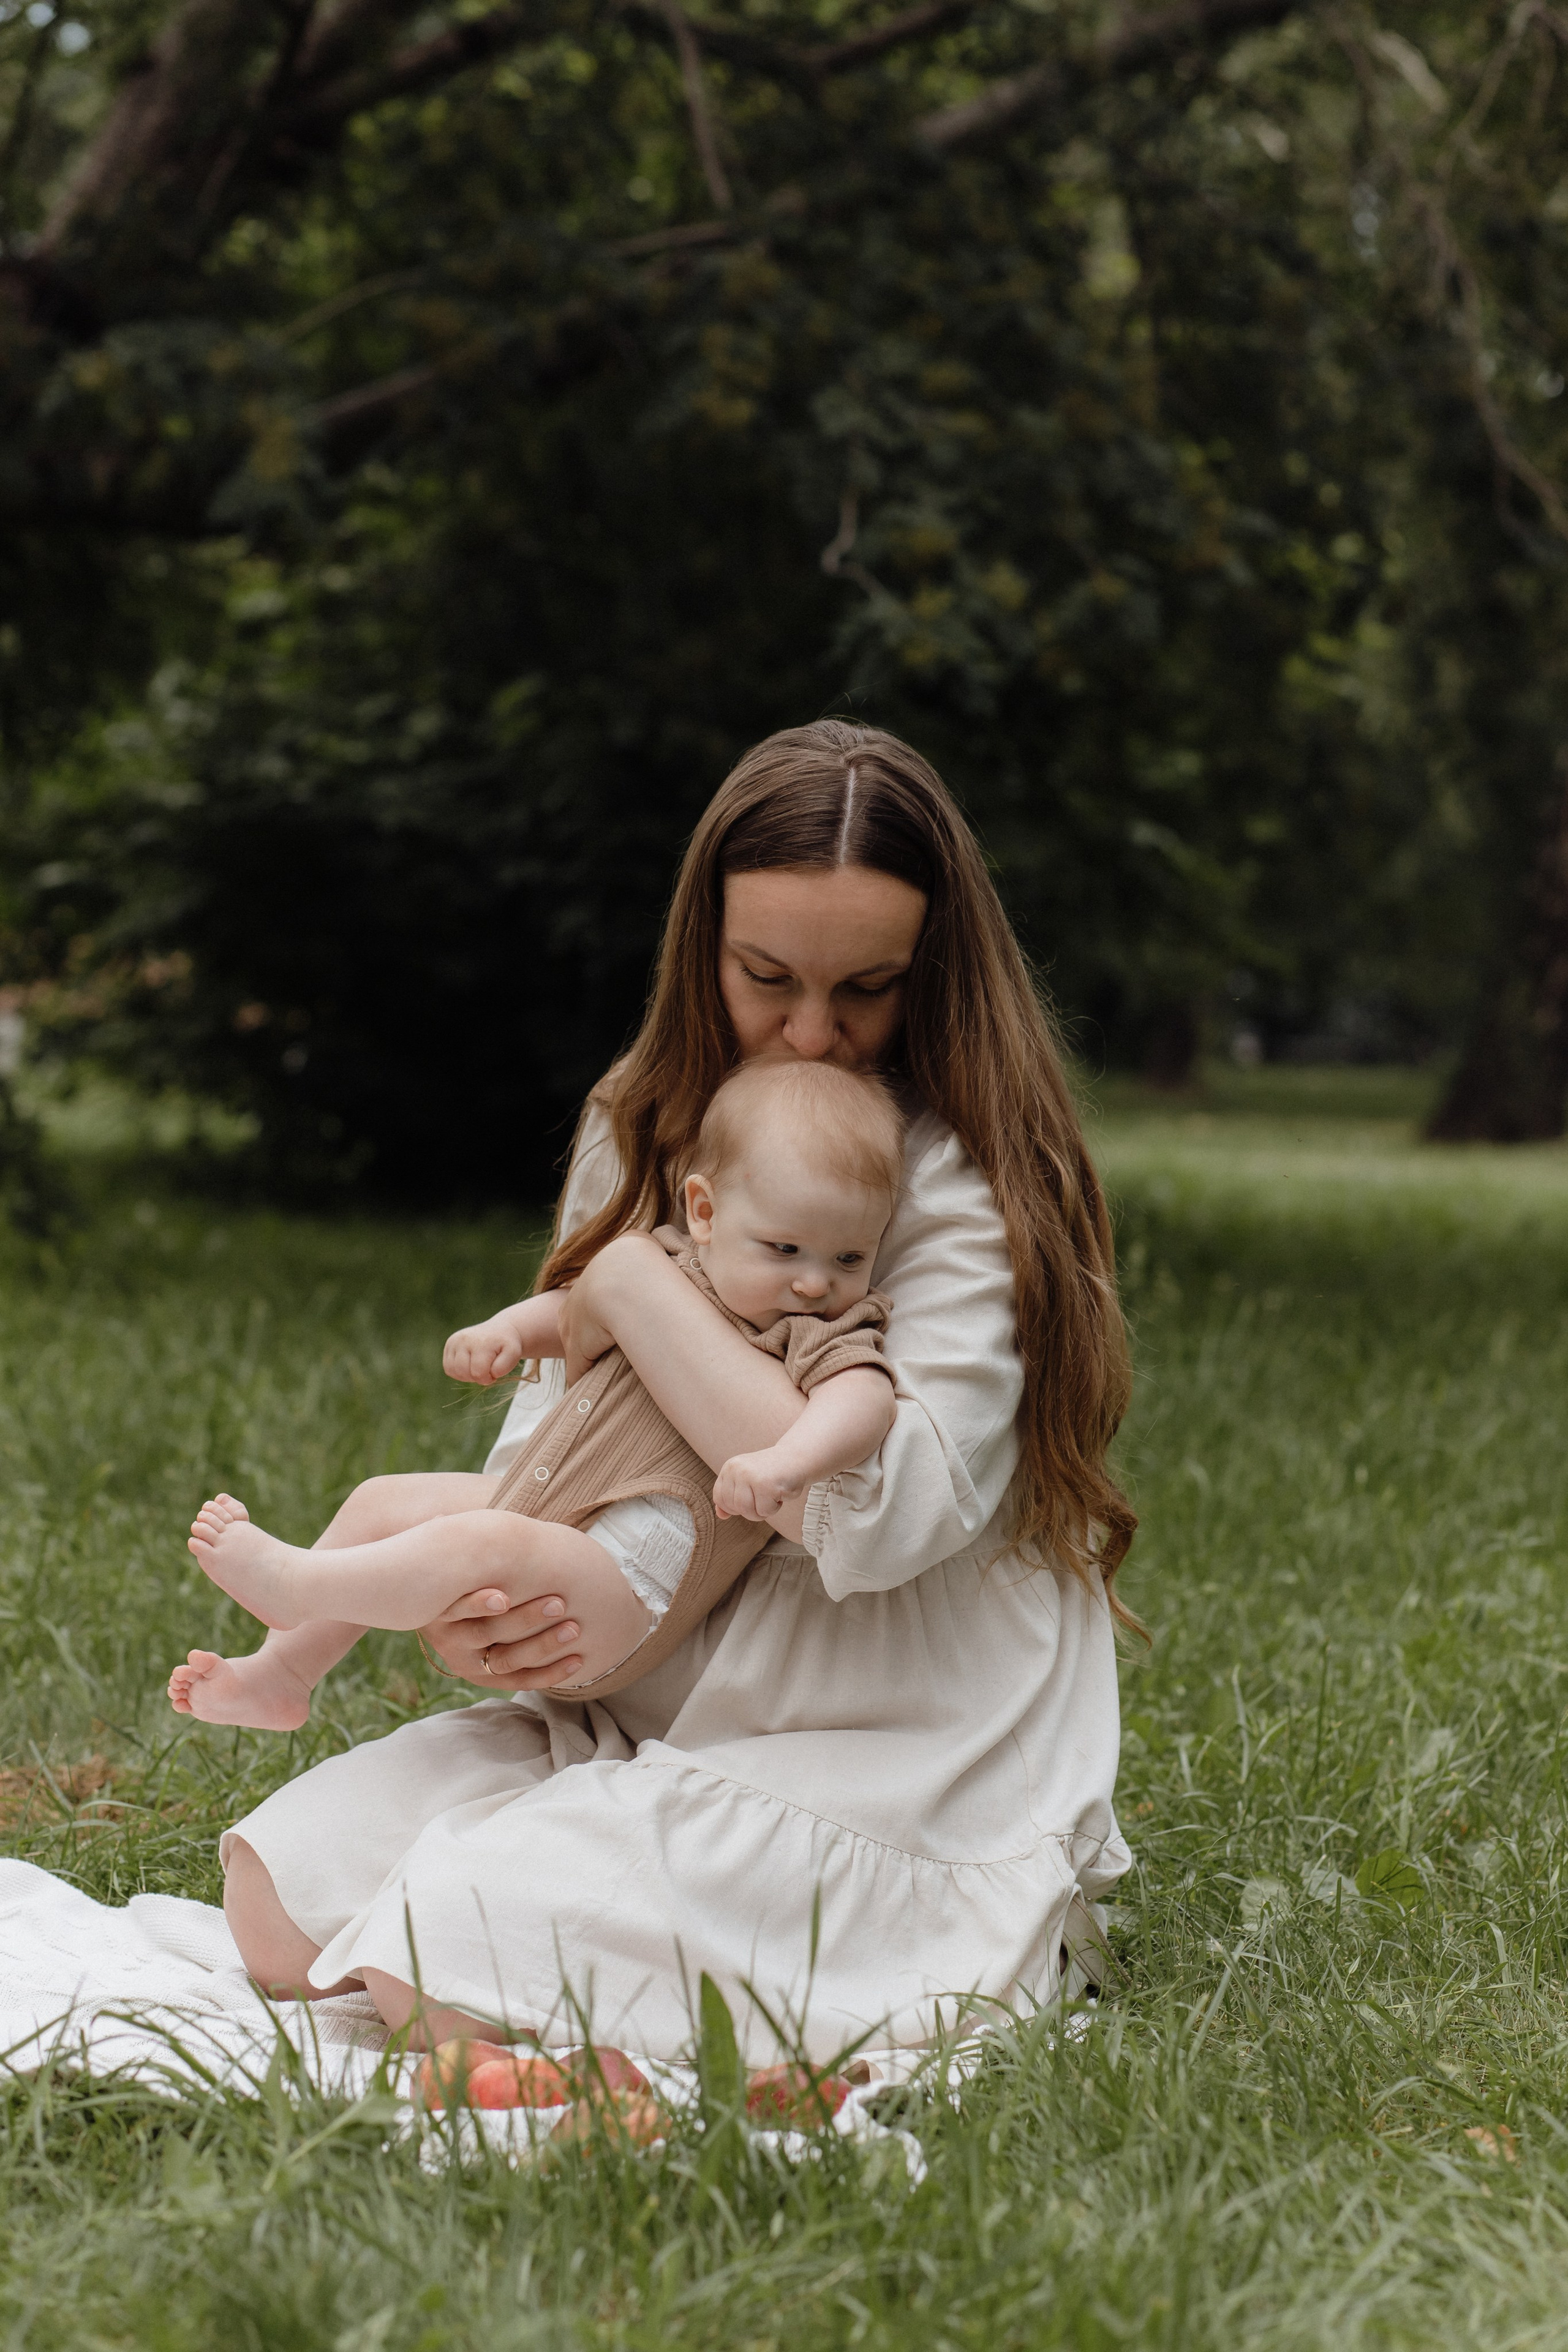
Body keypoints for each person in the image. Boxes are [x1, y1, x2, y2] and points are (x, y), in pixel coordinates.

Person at [212, 720, 1139, 2064]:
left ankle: (894, 1933)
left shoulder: (942, 1181)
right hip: (637, 1694)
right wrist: (493, 1606)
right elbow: (559, 1453)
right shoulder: (642, 1124)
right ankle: (579, 1870)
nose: (811, 1034)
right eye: (766, 977)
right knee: (276, 1912)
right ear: (702, 950)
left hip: (879, 1738)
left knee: (443, 1954)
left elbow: (874, 1521)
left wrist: (635, 1287)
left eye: (866, 988)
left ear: (933, 973)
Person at [169, 1057, 902, 1710]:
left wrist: (787, 1460)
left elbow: (862, 1400)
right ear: (705, 1212)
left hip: (628, 1588)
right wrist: (512, 1331)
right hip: (563, 1513)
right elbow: (577, 1310)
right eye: (784, 1248)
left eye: (848, 1256)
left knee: (486, 1540)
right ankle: (282, 1674)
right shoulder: (675, 1263)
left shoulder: (816, 1328)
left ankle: (297, 1588)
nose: (814, 1281)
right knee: (384, 1501)